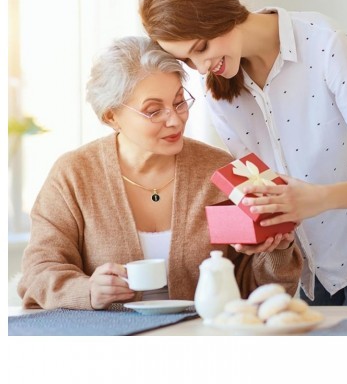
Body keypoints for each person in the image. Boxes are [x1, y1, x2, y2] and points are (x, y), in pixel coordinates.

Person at [138, 0, 347, 306]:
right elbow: (261, 187)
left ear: (220, 12)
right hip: (308, 269)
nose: (201, 67)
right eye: (188, 60)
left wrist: (315, 199)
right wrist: (264, 229)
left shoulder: (322, 41)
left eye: (201, 47)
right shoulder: (217, 93)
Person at [18, 36, 302, 310]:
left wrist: (277, 247)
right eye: (154, 111)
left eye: (179, 102)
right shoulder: (73, 174)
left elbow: (255, 291)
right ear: (111, 116)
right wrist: (87, 290)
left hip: (198, 338)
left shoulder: (219, 171)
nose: (175, 119)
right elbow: (38, 273)